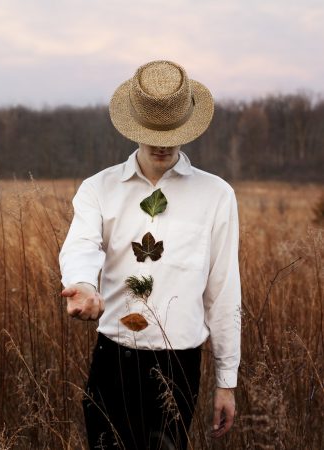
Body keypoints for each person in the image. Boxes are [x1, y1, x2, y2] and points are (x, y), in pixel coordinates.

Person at [59, 60, 241, 449]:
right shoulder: (99, 188)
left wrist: (227, 380)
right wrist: (83, 284)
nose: (161, 142)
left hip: (179, 365)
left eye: (172, 133)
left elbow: (223, 289)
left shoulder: (216, 196)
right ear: (134, 126)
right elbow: (81, 244)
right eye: (152, 132)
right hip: (113, 362)